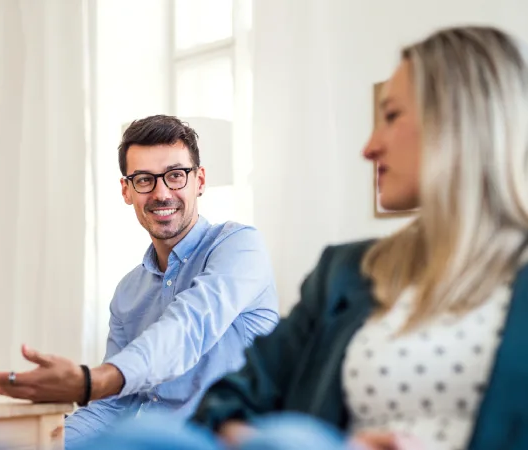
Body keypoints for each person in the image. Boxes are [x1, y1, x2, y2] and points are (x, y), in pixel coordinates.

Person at [188, 26, 528, 450]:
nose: (369, 147)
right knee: (137, 436)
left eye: (391, 116)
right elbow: (223, 405)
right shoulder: (345, 274)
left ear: (459, 120)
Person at [0, 115, 280, 447]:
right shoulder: (128, 292)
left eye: (176, 176)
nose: (162, 193)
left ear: (199, 181)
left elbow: (187, 328)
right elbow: (111, 406)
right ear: (127, 190)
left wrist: (90, 381)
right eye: (145, 180)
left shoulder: (240, 246)